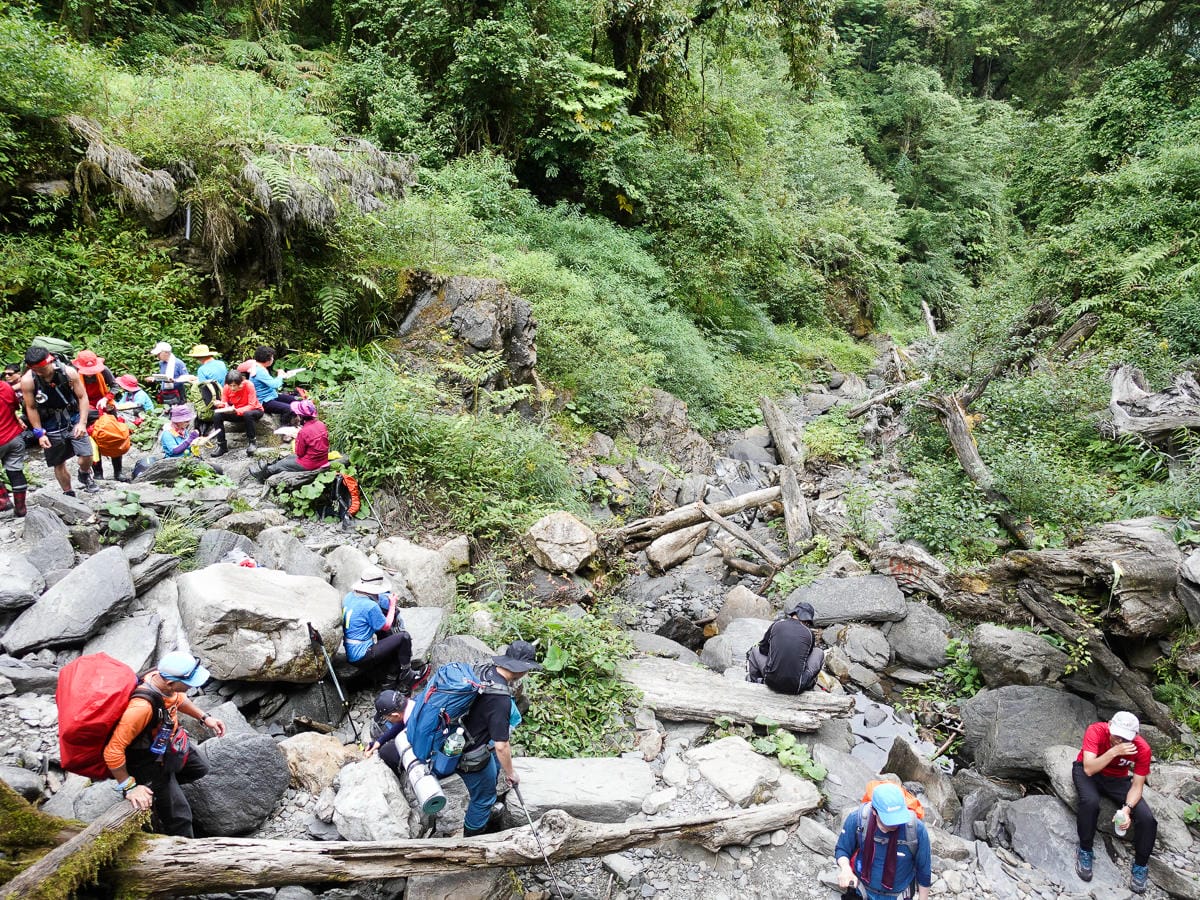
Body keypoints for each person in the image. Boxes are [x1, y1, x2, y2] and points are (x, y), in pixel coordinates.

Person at [103, 651, 225, 837]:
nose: (192, 687)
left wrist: (204, 717)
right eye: (189, 684)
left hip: (168, 745)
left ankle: (162, 791)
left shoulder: (162, 681)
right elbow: (113, 751)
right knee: (181, 818)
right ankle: (185, 856)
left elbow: (178, 698)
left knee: (200, 767)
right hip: (147, 761)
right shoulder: (140, 708)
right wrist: (129, 787)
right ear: (171, 682)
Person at [457, 641, 541, 837]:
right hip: (470, 752)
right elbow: (502, 745)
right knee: (483, 798)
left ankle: (485, 816)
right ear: (523, 669)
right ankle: (472, 841)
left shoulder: (485, 671)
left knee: (491, 773)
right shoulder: (500, 697)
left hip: (462, 734)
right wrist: (511, 774)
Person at [1074, 711, 1157, 893]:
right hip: (1089, 773)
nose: (1119, 741)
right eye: (1117, 735)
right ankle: (1085, 850)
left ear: (1135, 736)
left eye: (1125, 739)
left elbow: (1137, 786)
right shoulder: (1096, 730)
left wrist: (1127, 809)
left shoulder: (1142, 748)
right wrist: (1114, 752)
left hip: (1117, 780)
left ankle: (1140, 866)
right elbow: (1088, 768)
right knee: (1090, 802)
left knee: (1147, 818)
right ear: (1110, 724)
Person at [20, 344, 98, 495]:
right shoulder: (28, 380)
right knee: (58, 462)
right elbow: (31, 407)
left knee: (86, 455)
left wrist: (82, 422)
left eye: (42, 369)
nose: (40, 373)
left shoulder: (68, 372)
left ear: (50, 360)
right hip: (49, 424)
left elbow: (82, 397)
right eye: (36, 370)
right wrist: (39, 433)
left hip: (72, 418)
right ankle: (68, 492)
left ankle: (84, 472)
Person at [836, 782, 932, 900]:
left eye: (898, 817)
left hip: (898, 896)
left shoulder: (916, 830)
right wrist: (845, 869)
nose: (895, 824)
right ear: (874, 811)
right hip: (860, 891)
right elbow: (842, 849)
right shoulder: (857, 820)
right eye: (889, 820)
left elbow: (924, 870)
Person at [341, 566, 413, 688]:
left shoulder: (349, 597)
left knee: (387, 635)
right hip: (362, 654)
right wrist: (392, 604)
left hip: (349, 649)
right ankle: (406, 675)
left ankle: (389, 678)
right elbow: (386, 625)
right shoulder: (369, 606)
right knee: (403, 637)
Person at [747, 600, 825, 694]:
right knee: (819, 652)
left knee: (755, 651)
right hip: (796, 687)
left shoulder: (776, 625)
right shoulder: (809, 633)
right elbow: (806, 658)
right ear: (807, 620)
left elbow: (763, 649)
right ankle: (810, 685)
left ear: (793, 614)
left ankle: (756, 681)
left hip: (771, 683)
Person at [252, 399, 329, 482]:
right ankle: (269, 466)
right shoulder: (321, 424)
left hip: (310, 464)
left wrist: (297, 438)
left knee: (282, 464)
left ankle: (263, 474)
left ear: (301, 416)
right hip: (323, 459)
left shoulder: (303, 432)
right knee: (290, 457)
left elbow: (299, 453)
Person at [242, 345, 302, 420]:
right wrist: (280, 376)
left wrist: (281, 376)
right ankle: (283, 428)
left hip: (271, 396)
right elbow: (275, 385)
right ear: (268, 360)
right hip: (264, 401)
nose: (273, 359)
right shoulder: (259, 371)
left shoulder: (258, 367)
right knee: (288, 408)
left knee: (296, 400)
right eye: (272, 357)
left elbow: (270, 382)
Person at [211, 369, 263, 457]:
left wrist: (237, 411)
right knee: (217, 415)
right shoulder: (227, 387)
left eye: (234, 385)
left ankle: (252, 442)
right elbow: (224, 402)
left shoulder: (249, 385)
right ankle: (221, 445)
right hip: (236, 411)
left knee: (247, 414)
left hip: (254, 411)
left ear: (241, 383)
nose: (232, 388)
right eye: (230, 385)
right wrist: (220, 405)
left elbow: (252, 405)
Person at [0, 363, 28, 516]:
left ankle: (3, 500)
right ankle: (21, 508)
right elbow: (16, 406)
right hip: (14, 437)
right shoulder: (4, 386)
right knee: (15, 470)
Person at [71, 350, 118, 423]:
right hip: (84, 401)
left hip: (101, 399)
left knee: (111, 410)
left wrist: (106, 399)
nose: (90, 373)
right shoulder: (74, 372)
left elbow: (115, 385)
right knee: (88, 414)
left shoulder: (103, 370)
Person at [187, 344, 227, 409]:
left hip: (213, 398)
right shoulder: (221, 363)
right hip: (225, 393)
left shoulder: (201, 369)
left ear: (198, 358)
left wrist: (193, 382)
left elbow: (203, 386)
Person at [152, 342, 190, 406]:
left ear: (166, 353)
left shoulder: (178, 363)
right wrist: (154, 379)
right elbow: (163, 377)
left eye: (159, 354)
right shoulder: (161, 363)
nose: (157, 356)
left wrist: (174, 380)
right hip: (165, 393)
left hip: (178, 393)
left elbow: (187, 377)